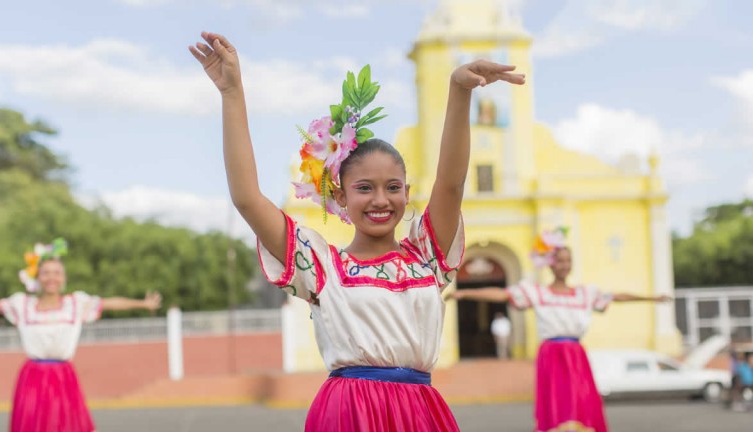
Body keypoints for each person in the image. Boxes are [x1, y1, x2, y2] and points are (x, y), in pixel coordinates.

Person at [189, 31, 524, 431]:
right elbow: (246, 198)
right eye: (364, 188)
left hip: (420, 412)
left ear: (407, 193)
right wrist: (232, 92)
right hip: (349, 412)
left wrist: (459, 90)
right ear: (341, 197)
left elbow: (451, 183)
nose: (381, 199)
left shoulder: (427, 255)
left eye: (393, 187)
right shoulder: (320, 265)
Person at [446, 228, 670, 432]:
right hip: (552, 354)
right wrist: (465, 294)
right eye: (560, 260)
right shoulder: (539, 293)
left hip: (576, 353)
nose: (564, 265)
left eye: (568, 260)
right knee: (557, 404)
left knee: (582, 403)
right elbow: (503, 294)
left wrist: (652, 298)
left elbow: (617, 296)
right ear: (550, 264)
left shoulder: (585, 294)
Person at [0, 238, 162, 432]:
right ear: (37, 277)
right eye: (45, 273)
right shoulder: (22, 305)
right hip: (33, 378)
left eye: (57, 273)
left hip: (63, 377)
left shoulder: (76, 304)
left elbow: (110, 303)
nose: (51, 278)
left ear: (64, 278)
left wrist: (143, 304)